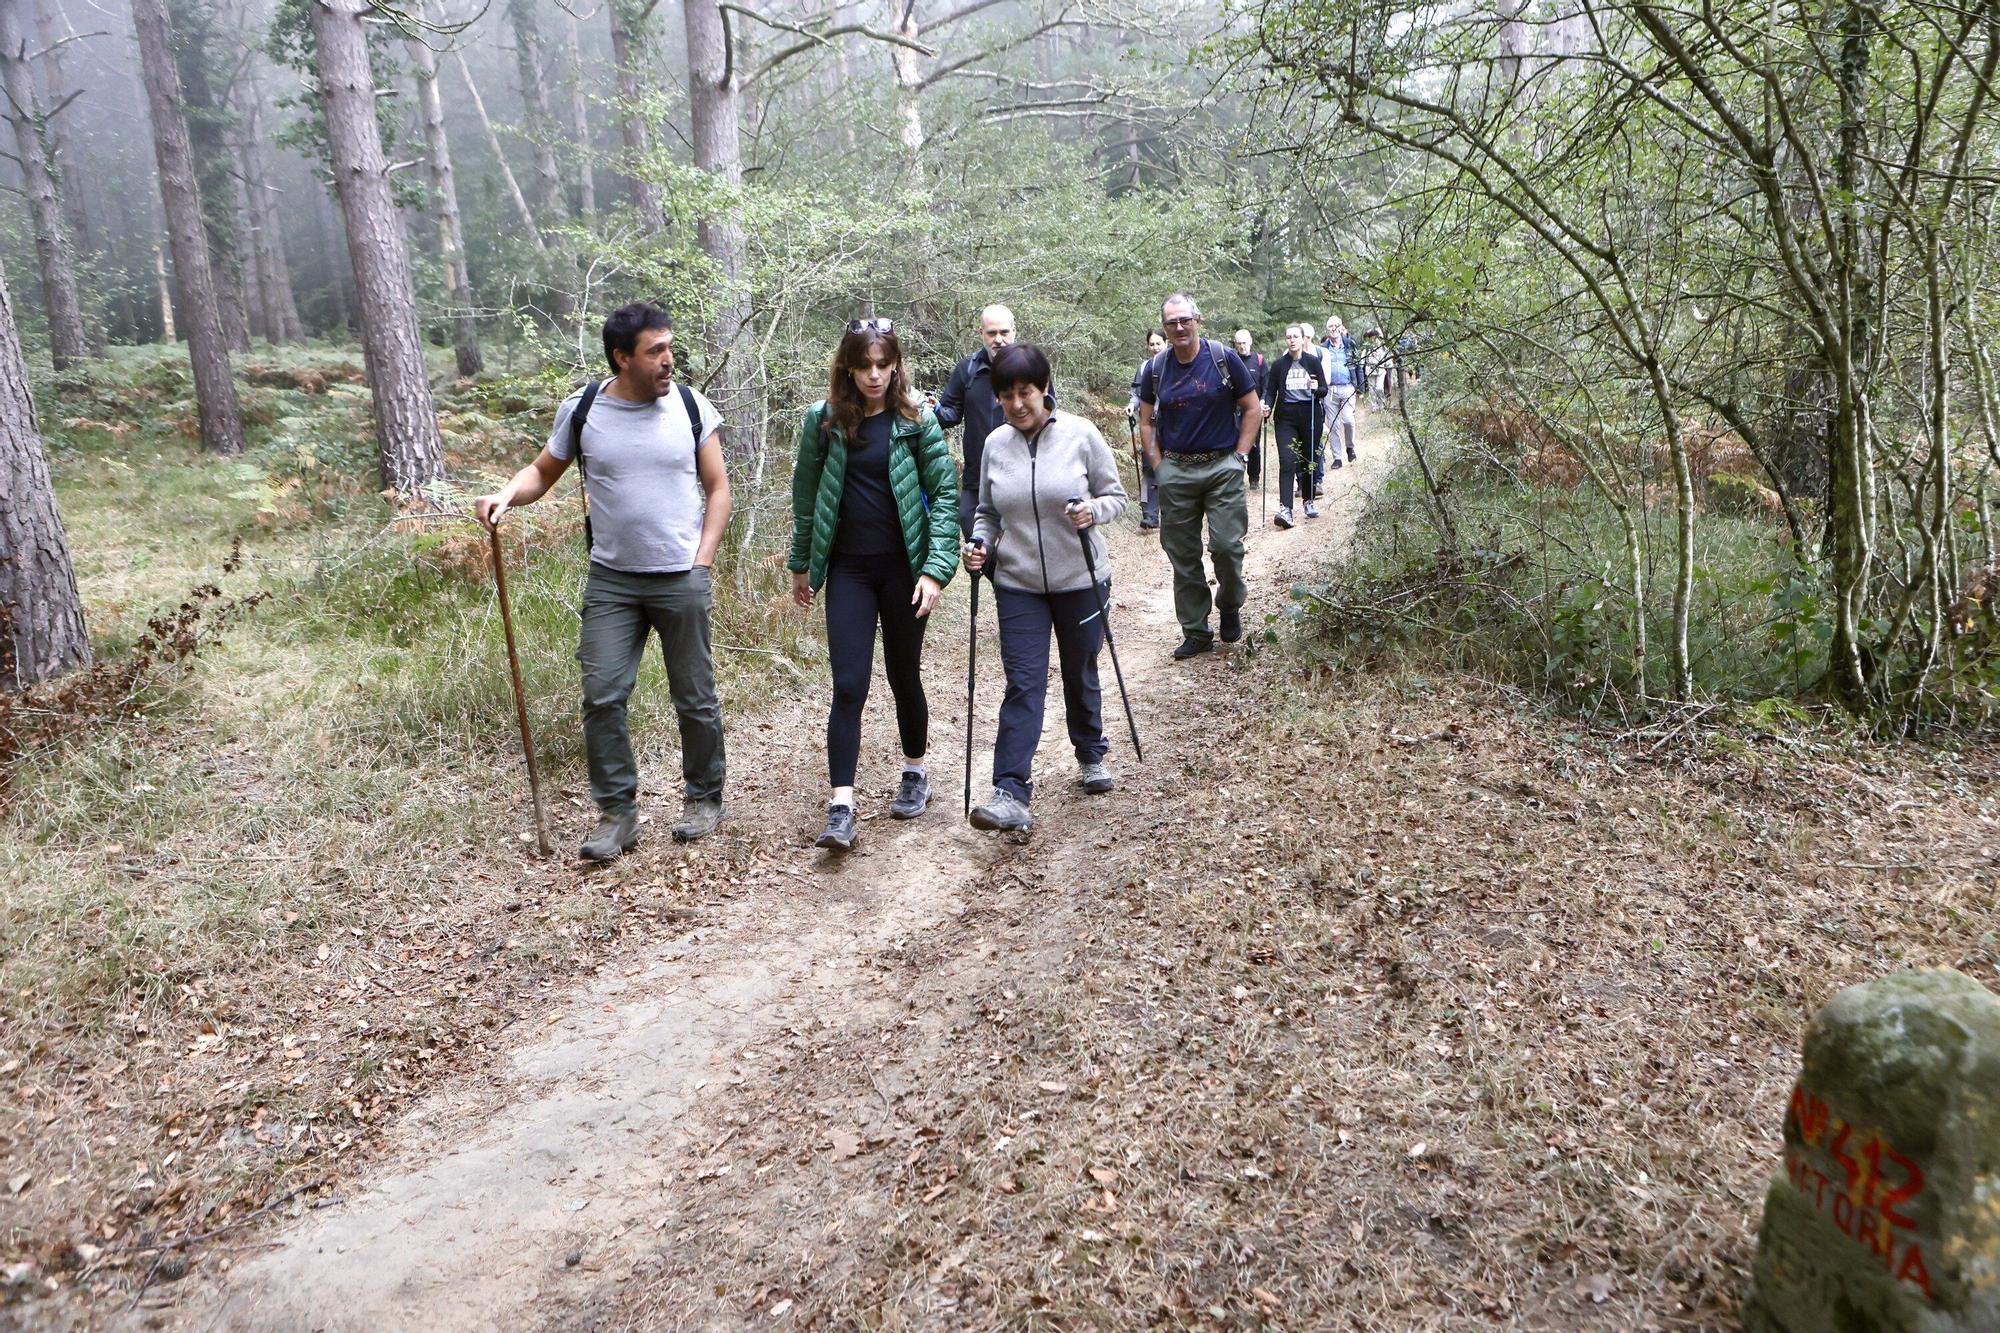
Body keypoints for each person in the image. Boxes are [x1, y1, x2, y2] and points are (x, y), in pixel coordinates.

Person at [475, 302, 730, 860]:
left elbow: (718, 489)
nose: (669, 360)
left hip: (681, 576)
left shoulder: (690, 406)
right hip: (613, 580)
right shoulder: (585, 408)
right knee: (602, 695)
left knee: (694, 696)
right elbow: (542, 471)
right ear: (622, 358)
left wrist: (702, 562)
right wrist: (506, 495)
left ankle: (704, 797)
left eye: (669, 347)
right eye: (655, 351)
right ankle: (617, 814)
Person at [789, 319, 959, 852]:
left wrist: (935, 569)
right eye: (863, 365)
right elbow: (806, 496)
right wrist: (801, 563)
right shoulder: (823, 421)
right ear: (847, 367)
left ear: (896, 365)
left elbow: (944, 496)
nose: (874, 375)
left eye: (883, 365)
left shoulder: (916, 420)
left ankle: (915, 771)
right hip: (849, 571)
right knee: (848, 684)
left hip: (904, 570)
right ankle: (841, 806)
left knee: (904, 674)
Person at [963, 344, 1129, 833]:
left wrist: (1092, 511)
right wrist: (979, 543)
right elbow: (987, 512)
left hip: (1080, 577)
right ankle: (1009, 791)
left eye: (1026, 392)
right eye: (1006, 395)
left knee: (1080, 668)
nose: (1017, 404)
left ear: (1045, 388)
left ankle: (1091, 751)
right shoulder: (995, 444)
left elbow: (1116, 497)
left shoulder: (1081, 434)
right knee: (1024, 682)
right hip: (1018, 584)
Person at [1136, 293, 1261, 659]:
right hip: (1176, 470)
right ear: (1164, 327)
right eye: (1171, 322)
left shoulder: (1223, 358)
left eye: (1185, 320)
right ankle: (1196, 630)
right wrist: (1159, 465)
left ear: (1197, 320)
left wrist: (1240, 455)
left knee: (1227, 547)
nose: (1179, 327)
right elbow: (1146, 421)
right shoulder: (1156, 368)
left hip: (1222, 466)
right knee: (1183, 554)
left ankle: (1230, 603)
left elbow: (1252, 408)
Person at [932, 304, 1015, 539]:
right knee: (974, 535)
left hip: (1019, 476)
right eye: (992, 333)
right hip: (977, 477)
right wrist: (932, 410)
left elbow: (1049, 415)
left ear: (1013, 331)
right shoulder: (967, 369)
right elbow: (949, 415)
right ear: (981, 334)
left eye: (1004, 332)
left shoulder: (1030, 368)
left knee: (1015, 544)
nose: (998, 339)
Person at [1260, 324, 1329, 529]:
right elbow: (1270, 391)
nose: (1292, 340)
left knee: (1309, 458)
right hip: (1286, 417)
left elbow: (1324, 389)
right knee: (1287, 460)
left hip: (1310, 414)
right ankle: (1285, 509)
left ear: (1303, 339)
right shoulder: (1279, 365)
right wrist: (1266, 406)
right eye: (1288, 337)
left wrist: (1317, 388)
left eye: (1295, 336)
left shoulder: (1312, 361)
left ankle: (1308, 500)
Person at [1126, 329, 1166, 530]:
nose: (1155, 347)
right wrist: (1132, 405)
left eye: (1158, 343)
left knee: (1173, 465)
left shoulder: (1176, 365)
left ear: (1166, 343)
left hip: (1173, 425)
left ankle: (1173, 511)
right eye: (1152, 344)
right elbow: (1136, 394)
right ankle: (1150, 515)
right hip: (1149, 423)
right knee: (1150, 466)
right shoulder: (1144, 368)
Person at [1320, 316, 1361, 468]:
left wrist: (1360, 387)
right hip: (1330, 390)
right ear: (1327, 329)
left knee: (1348, 420)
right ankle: (1337, 457)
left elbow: (1358, 365)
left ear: (1340, 327)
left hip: (1347, 387)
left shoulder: (1349, 344)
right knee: (1333, 425)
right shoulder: (1323, 348)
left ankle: (1350, 447)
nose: (1333, 329)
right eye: (1330, 326)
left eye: (1336, 326)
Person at [1231, 328, 1269, 492]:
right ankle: (1236, 476)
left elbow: (1266, 385)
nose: (1242, 346)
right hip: (1235, 410)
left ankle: (1254, 478)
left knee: (1254, 444)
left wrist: (1263, 401)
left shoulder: (1259, 360)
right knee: (1235, 443)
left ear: (1250, 342)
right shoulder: (1231, 360)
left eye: (1244, 343)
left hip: (1254, 409)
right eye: (1239, 343)